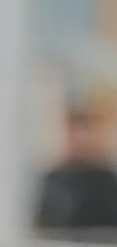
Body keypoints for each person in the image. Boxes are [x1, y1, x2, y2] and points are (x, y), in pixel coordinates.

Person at [35, 99, 117, 238]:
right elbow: (45, 224)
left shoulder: (107, 179)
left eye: (86, 129)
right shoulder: (55, 177)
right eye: (75, 130)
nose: (81, 138)